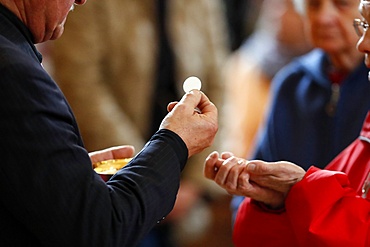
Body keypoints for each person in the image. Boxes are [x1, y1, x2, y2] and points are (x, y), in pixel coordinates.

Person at [0, 1, 218, 247]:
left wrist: (68, 173)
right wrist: (173, 144)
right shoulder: (15, 74)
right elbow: (98, 229)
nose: (81, 0)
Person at [204, 0, 370, 245]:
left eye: (341, 4)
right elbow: (259, 174)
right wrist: (256, 192)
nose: (323, 17)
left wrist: (298, 188)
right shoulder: (291, 84)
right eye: (313, 5)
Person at [220, 0, 311, 159]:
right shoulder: (246, 66)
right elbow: (234, 139)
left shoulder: (325, 72)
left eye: (289, 7)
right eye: (275, 4)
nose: (278, 14)